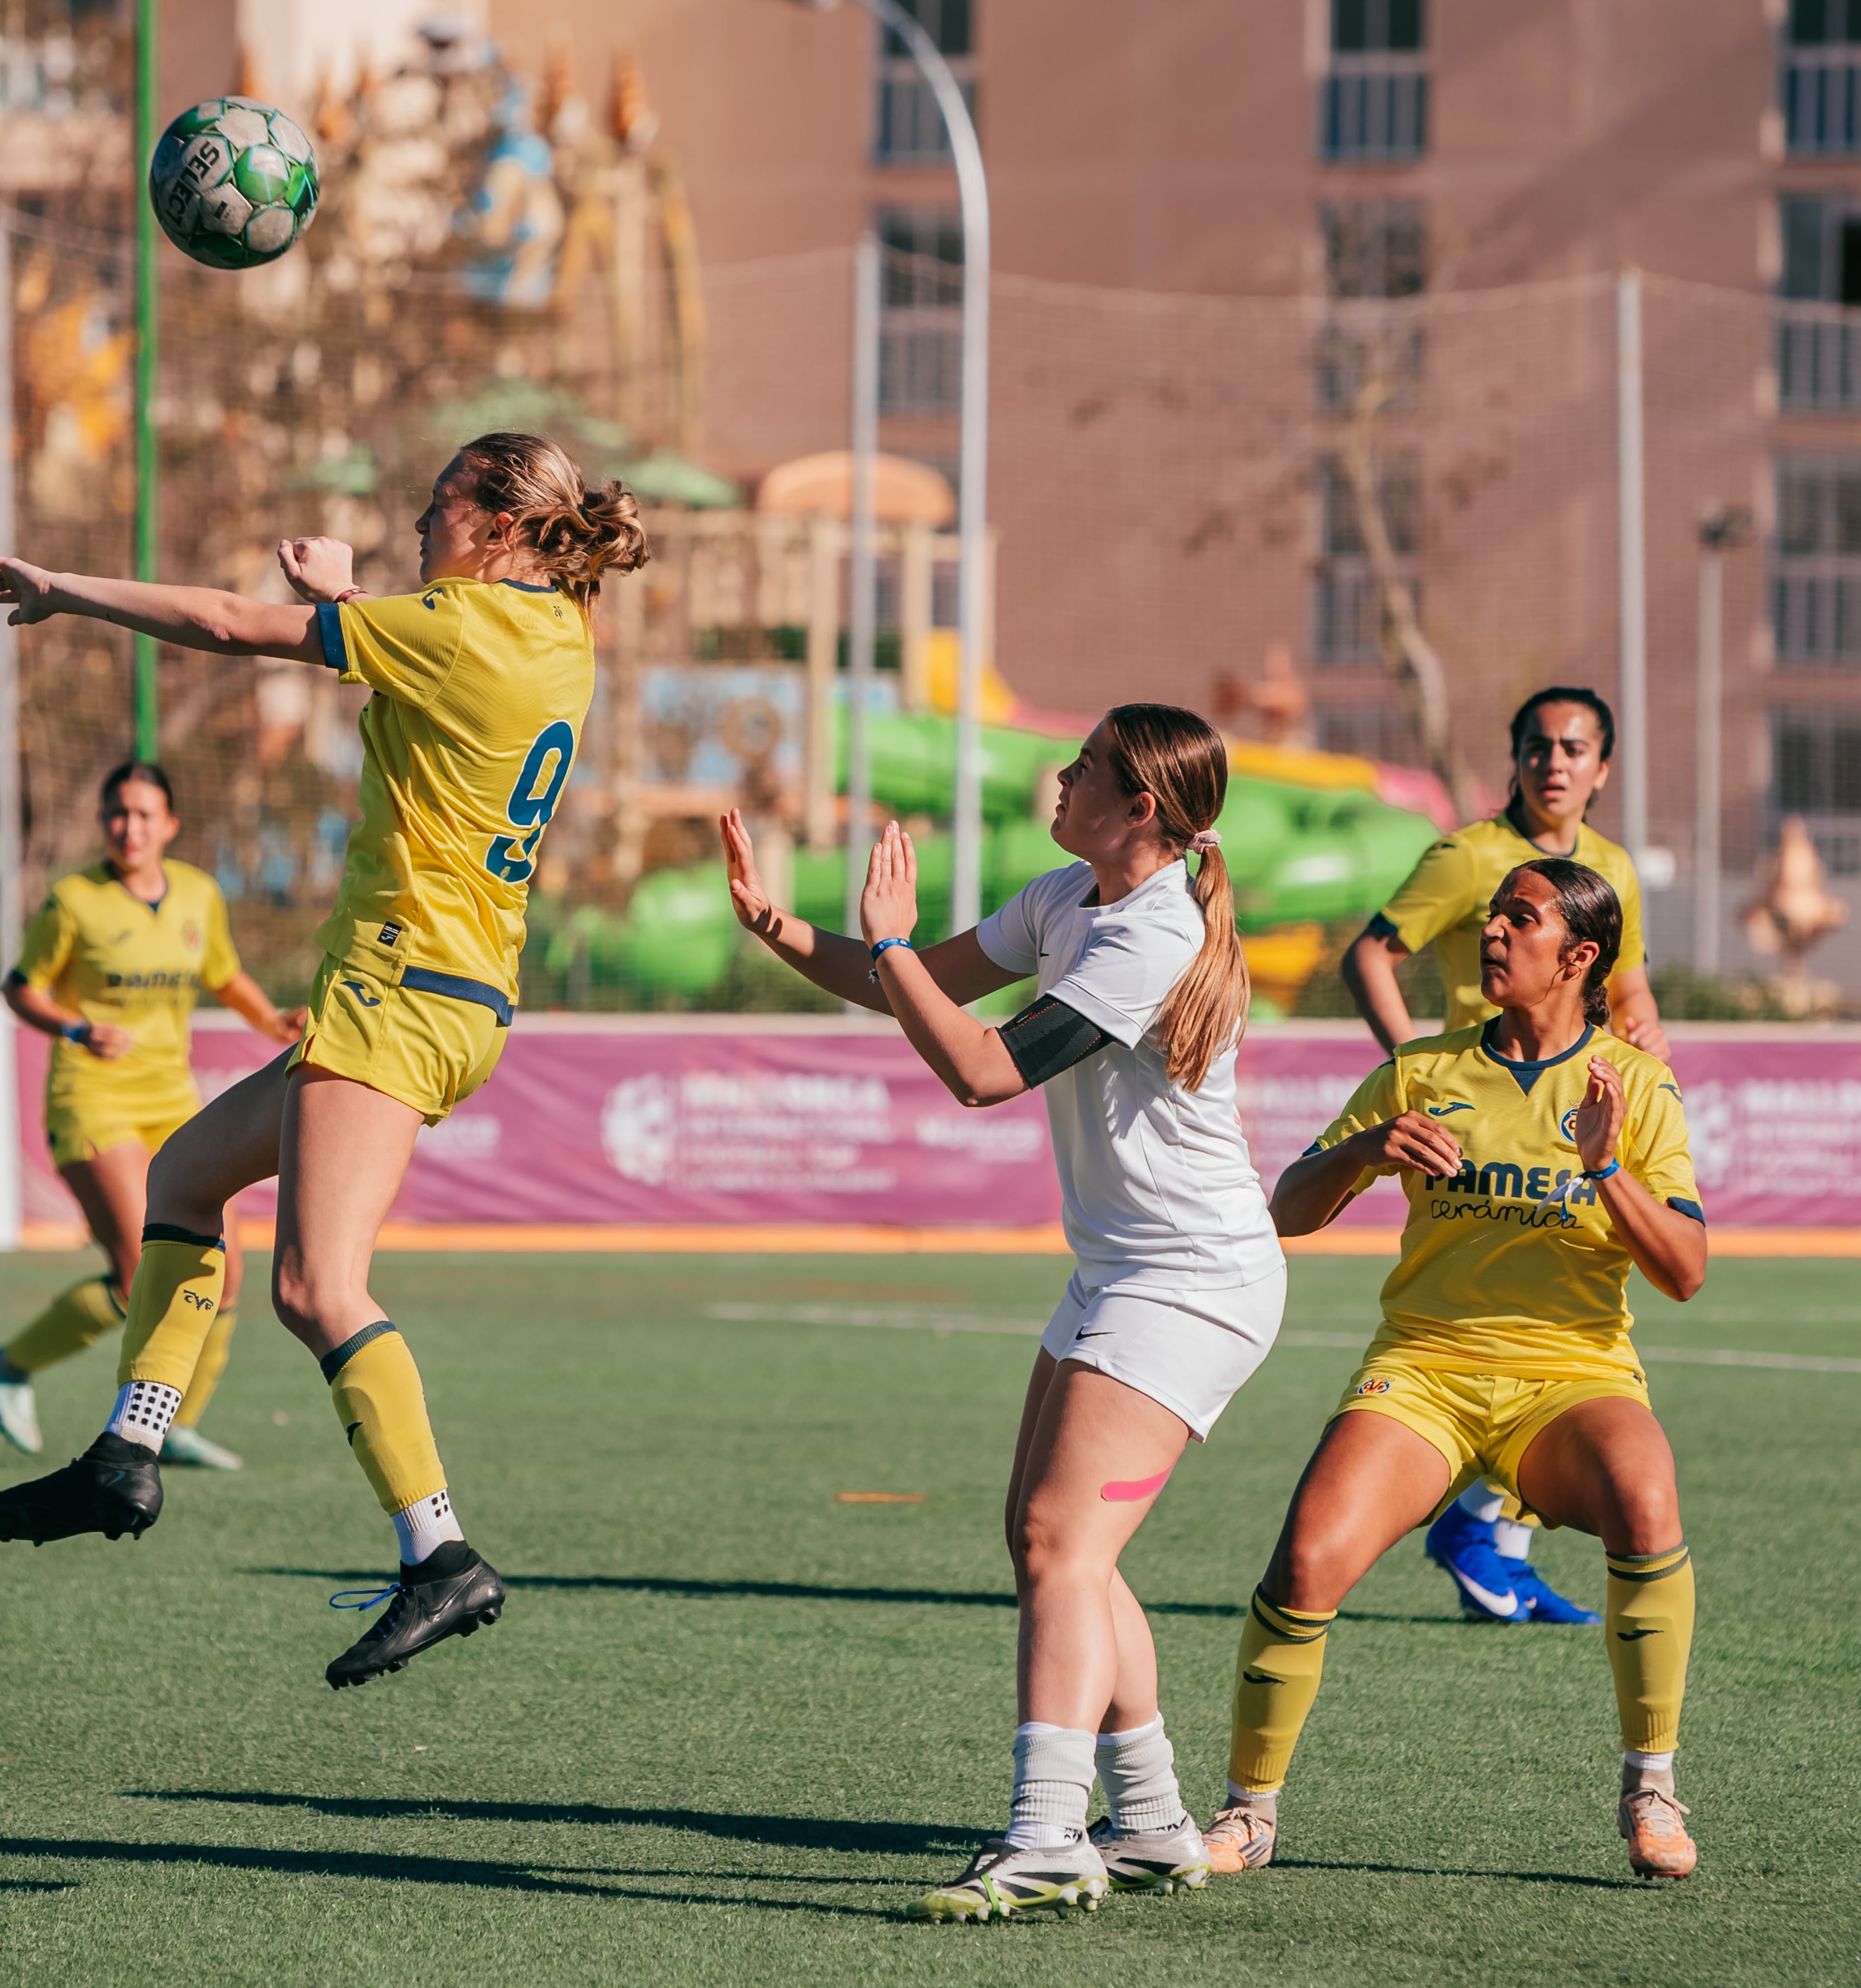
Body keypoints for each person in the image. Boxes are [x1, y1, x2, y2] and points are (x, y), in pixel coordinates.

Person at [0, 431, 644, 1690]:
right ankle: (126, 1452)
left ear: (496, 527)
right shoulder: (557, 632)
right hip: (450, 994)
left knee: (318, 1288)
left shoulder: (457, 626)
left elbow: (228, 623)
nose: (419, 522)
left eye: (437, 504)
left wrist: (63, 590)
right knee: (183, 1180)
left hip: (401, 992)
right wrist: (349, 598)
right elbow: (438, 673)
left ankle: (440, 1553)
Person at [719, 705, 1286, 1922]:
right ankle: (1151, 1823)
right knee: (1059, 1547)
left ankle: (1046, 1838)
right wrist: (783, 929)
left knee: (1057, 1544)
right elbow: (914, 986)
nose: (1061, 776)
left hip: (1191, 1279)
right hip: (1122, 1269)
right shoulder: (1068, 894)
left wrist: (888, 943)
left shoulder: (1156, 932)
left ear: (1141, 807)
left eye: (1085, 767)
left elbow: (982, 1069)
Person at [1207, 857, 1706, 1882]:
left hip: (1571, 1377)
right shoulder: (1420, 1069)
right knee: (1304, 1563)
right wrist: (1365, 1151)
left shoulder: (1635, 1085)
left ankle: (1651, 1789)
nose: (1491, 932)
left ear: (1578, 955)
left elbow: (1684, 1272)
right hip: (1424, 1372)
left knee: (1646, 1498)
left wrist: (1607, 1167)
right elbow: (1285, 1210)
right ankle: (1248, 1812)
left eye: (1520, 918)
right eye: (1491, 916)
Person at [1336, 686, 1670, 1627]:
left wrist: (1647, 1045)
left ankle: (1491, 1536)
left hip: (1581, 1120)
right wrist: (1412, 1068)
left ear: (1602, 769)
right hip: (1482, 1132)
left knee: (1573, 1334)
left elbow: (1629, 991)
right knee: (1496, 1324)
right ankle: (1481, 1530)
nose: (1553, 761)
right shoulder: (1469, 856)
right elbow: (1369, 955)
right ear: (1515, 757)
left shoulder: (1612, 868)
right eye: (1536, 745)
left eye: (1573, 747)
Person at [0, 760, 302, 1472]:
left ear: (171, 825)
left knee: (224, 1275)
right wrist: (74, 1028)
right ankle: (8, 1366)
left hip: (172, 1102)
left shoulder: (198, 894)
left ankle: (175, 1426)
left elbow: (223, 974)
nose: (130, 828)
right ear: (103, 823)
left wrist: (274, 1020)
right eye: (118, 814)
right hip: (92, 1099)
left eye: (145, 814)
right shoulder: (74, 901)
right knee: (138, 1278)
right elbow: (20, 987)